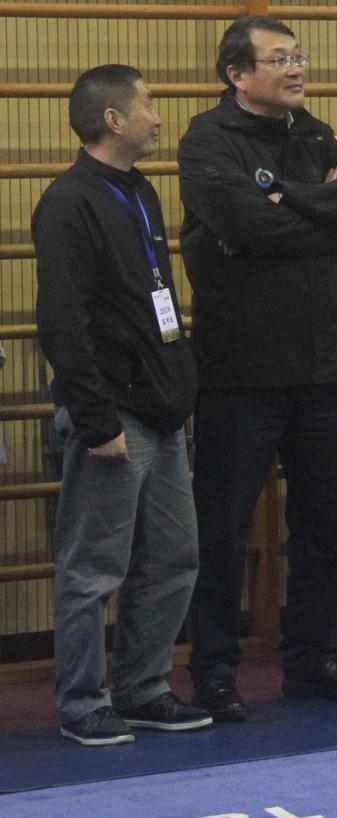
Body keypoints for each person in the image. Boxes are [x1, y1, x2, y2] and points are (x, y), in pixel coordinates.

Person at [178, 14, 337, 721]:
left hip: (320, 364)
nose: (296, 69)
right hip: (241, 369)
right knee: (224, 529)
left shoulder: (312, 131)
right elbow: (244, 224)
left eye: (299, 56)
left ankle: (313, 657)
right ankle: (214, 671)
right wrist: (319, 213)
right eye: (279, 59)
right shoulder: (208, 140)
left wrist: (291, 197)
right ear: (237, 74)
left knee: (325, 524)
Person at [33, 64, 210, 745]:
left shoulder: (139, 192)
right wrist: (95, 417)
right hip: (113, 413)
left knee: (173, 557)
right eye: (148, 105)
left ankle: (143, 688)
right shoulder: (68, 201)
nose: (158, 117)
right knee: (93, 566)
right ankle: (83, 702)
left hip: (160, 409)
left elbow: (151, 301)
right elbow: (63, 321)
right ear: (113, 119)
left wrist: (178, 382)